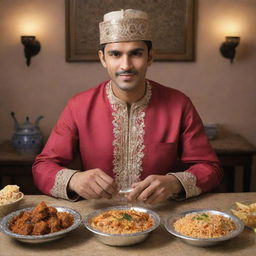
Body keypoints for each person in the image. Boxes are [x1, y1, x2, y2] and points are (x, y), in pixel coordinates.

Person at [32, 9, 222, 204]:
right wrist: (74, 179)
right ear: (103, 58)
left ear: (150, 57)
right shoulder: (78, 106)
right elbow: (42, 167)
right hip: (98, 219)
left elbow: (210, 168)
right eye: (115, 54)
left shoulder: (179, 104)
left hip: (161, 216)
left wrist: (174, 183)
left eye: (136, 54)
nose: (126, 65)